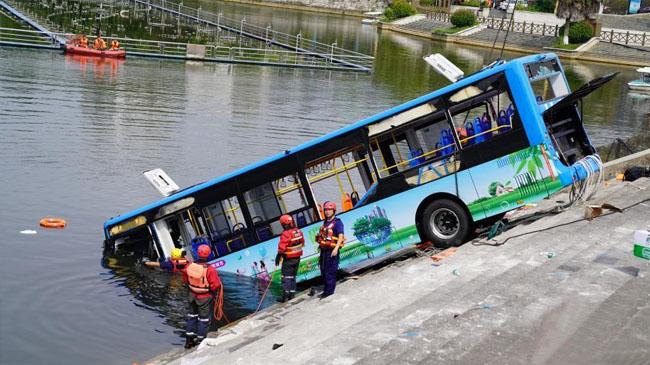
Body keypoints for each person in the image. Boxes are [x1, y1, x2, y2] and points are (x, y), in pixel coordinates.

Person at [182, 244, 221, 349]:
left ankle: (189, 340)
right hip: (204, 297)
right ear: (209, 255)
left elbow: (185, 280)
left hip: (192, 295)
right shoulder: (210, 269)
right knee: (203, 319)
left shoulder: (189, 266)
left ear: (197, 253)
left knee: (192, 316)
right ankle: (200, 341)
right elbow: (215, 285)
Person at [316, 201, 344, 298]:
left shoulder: (338, 223)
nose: (327, 212)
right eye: (326, 210)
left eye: (329, 210)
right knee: (323, 271)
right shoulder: (325, 223)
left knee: (330, 271)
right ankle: (327, 289)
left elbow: (340, 236)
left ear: (334, 211)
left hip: (332, 251)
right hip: (324, 251)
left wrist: (336, 249)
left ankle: (329, 292)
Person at [275, 214, 304, 302]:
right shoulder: (298, 231)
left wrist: (278, 256)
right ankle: (292, 293)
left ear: (283, 224)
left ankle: (285, 296)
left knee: (286, 277)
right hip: (297, 258)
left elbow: (282, 247)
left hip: (289, 259)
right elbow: (302, 242)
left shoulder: (286, 234)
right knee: (292, 276)